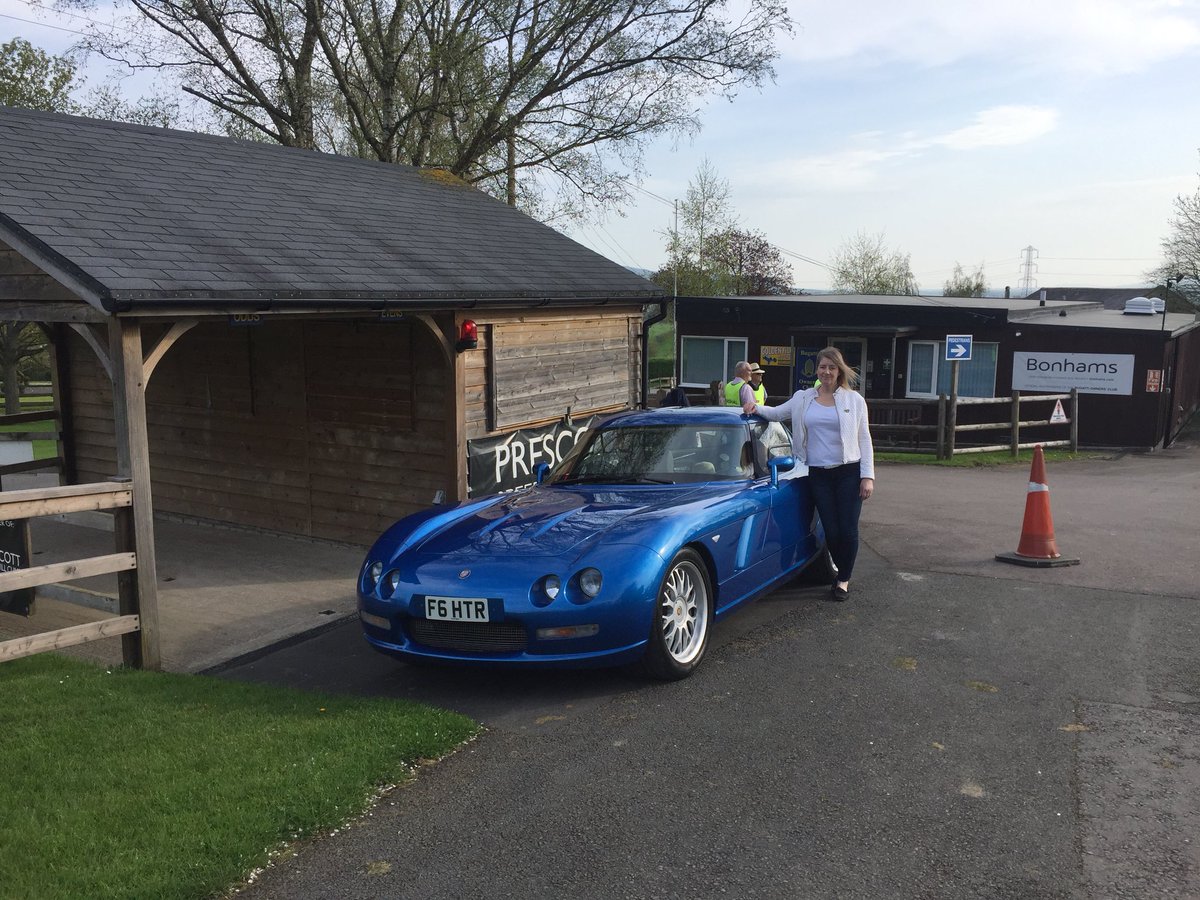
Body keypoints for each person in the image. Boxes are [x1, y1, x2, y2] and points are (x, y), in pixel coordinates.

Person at [742, 346, 874, 602]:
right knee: (831, 530)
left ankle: (843, 579)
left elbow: (864, 439)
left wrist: (867, 476)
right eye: (823, 367)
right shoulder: (803, 398)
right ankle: (842, 569)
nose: (827, 372)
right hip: (818, 474)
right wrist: (754, 407)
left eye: (832, 367)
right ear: (817, 370)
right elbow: (776, 413)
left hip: (849, 472)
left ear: (839, 371)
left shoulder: (854, 400)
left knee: (847, 529)